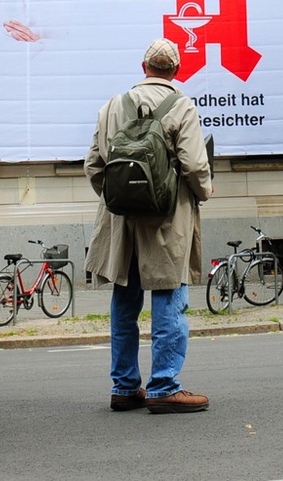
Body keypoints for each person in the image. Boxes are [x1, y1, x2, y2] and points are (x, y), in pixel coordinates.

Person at [84, 38, 214, 414]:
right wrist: (203, 191)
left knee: (124, 300)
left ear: (143, 68)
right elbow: (193, 164)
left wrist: (119, 197)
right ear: (176, 71)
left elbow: (94, 165)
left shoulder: (112, 106)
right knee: (169, 297)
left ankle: (124, 387)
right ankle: (164, 386)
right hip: (166, 218)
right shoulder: (182, 105)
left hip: (121, 220)